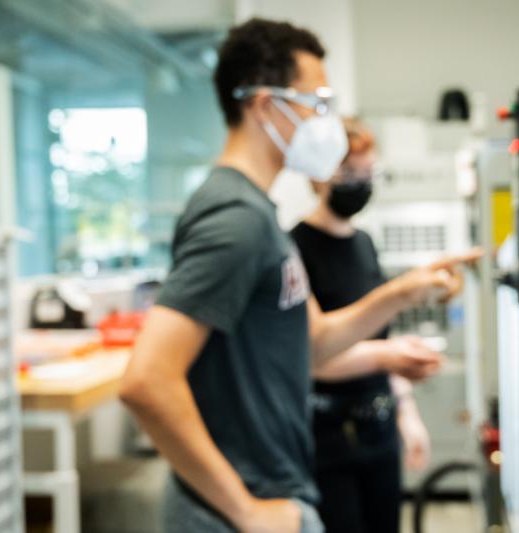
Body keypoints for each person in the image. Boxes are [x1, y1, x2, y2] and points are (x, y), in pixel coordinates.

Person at [119, 18, 479, 533]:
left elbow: (312, 341)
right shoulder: (235, 219)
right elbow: (147, 381)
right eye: (318, 103)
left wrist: (404, 291)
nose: (326, 121)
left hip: (276, 491)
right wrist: (247, 511)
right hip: (239, 508)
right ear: (266, 104)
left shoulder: (260, 216)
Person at [291, 118, 436, 533]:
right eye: (350, 173)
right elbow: (314, 356)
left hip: (380, 427)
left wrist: (407, 413)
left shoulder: (365, 244)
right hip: (326, 437)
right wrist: (389, 356)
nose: (361, 183)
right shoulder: (294, 248)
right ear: (318, 176)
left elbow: (381, 334)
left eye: (368, 174)